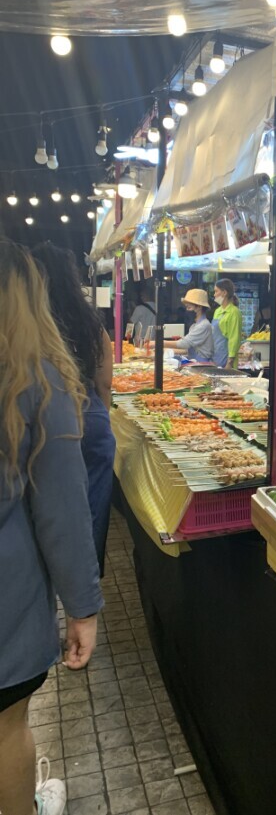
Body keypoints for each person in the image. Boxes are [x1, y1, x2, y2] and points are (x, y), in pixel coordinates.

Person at [0, 241, 103, 815]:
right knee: (6, 732)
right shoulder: (34, 378)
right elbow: (61, 512)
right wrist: (82, 608)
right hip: (6, 610)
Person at [32, 242, 116, 578]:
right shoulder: (90, 323)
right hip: (91, 414)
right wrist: (100, 417)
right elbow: (105, 382)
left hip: (45, 416)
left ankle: (49, 572)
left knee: (49, 500)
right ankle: (87, 574)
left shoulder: (30, 324)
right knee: (93, 500)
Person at [164, 288, 214, 362]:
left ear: (199, 307)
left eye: (189, 307)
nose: (187, 310)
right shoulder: (194, 325)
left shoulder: (204, 325)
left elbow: (185, 343)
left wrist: (160, 343)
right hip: (194, 361)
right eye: (186, 307)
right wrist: (167, 350)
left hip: (201, 364)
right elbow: (187, 350)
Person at [212, 278, 242, 368]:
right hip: (215, 356)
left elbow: (234, 338)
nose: (214, 294)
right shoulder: (217, 311)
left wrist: (230, 362)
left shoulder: (234, 312)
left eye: (216, 291)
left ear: (224, 293)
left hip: (227, 358)